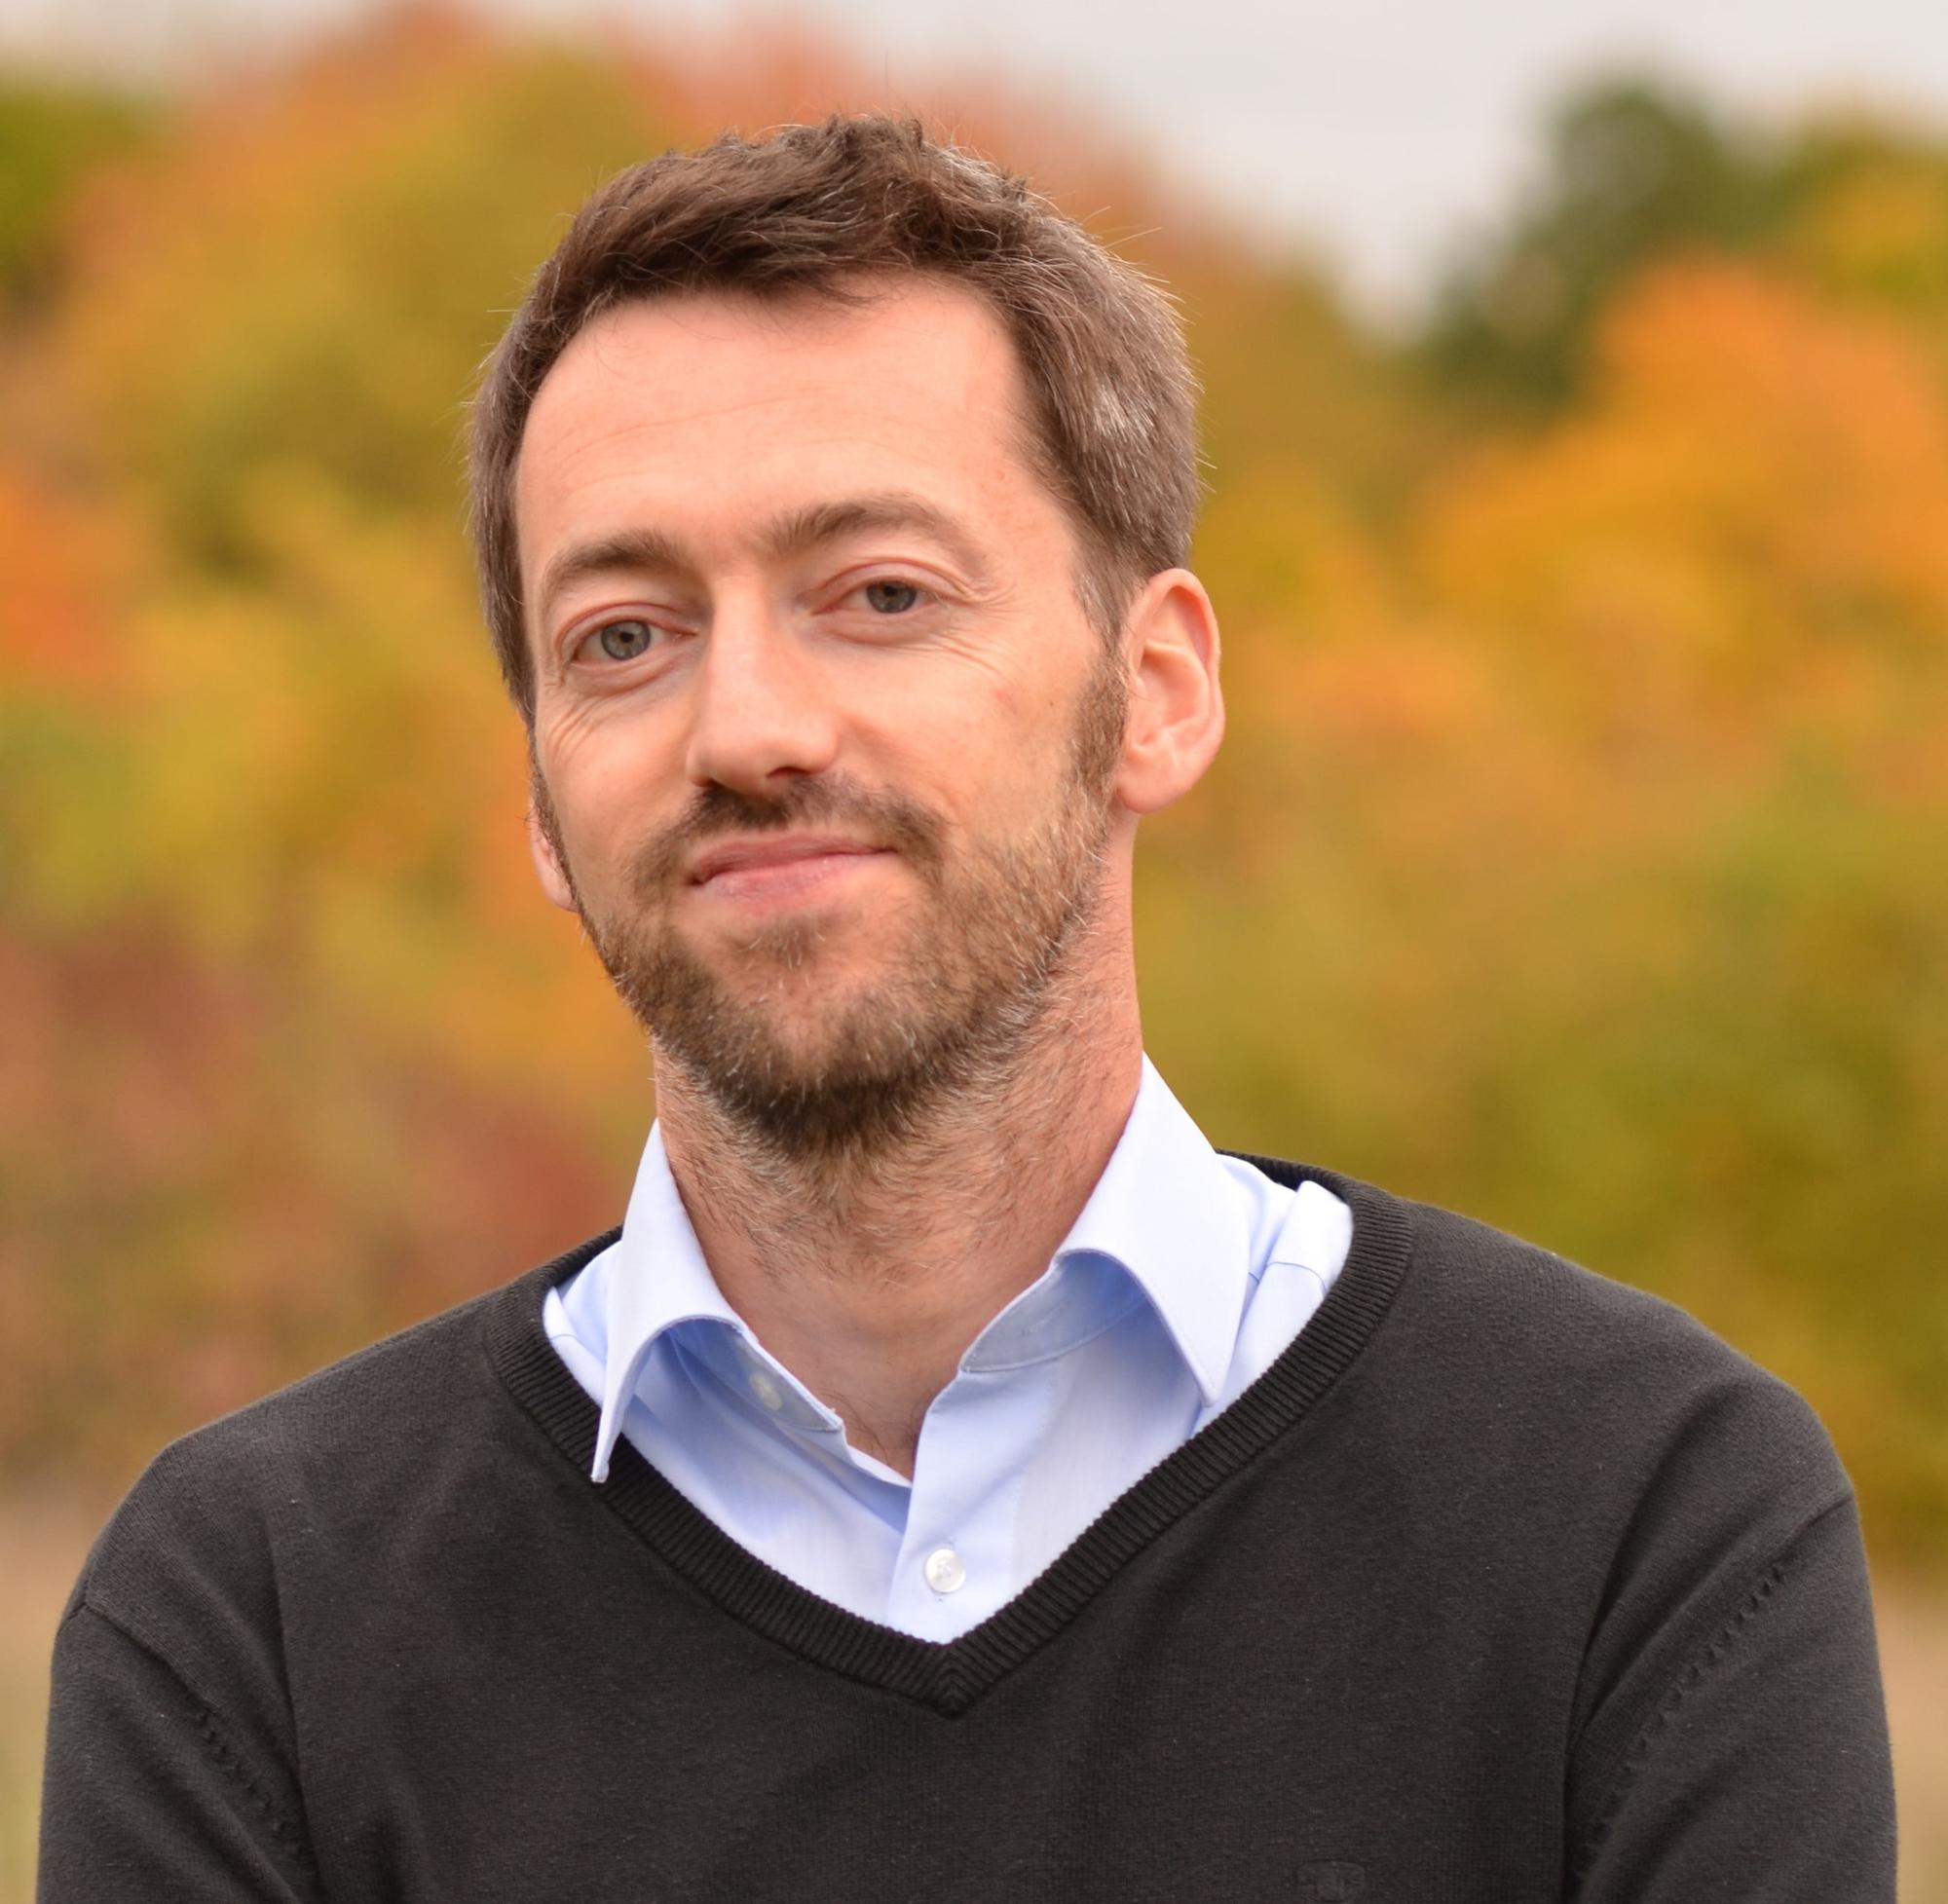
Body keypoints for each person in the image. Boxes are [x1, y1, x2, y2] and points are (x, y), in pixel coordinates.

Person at [39, 116, 1894, 1901]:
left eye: (880, 594)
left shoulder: (1638, 1524)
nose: (748, 727)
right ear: (537, 789)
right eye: (623, 636)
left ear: (1154, 690)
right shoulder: (255, 1619)